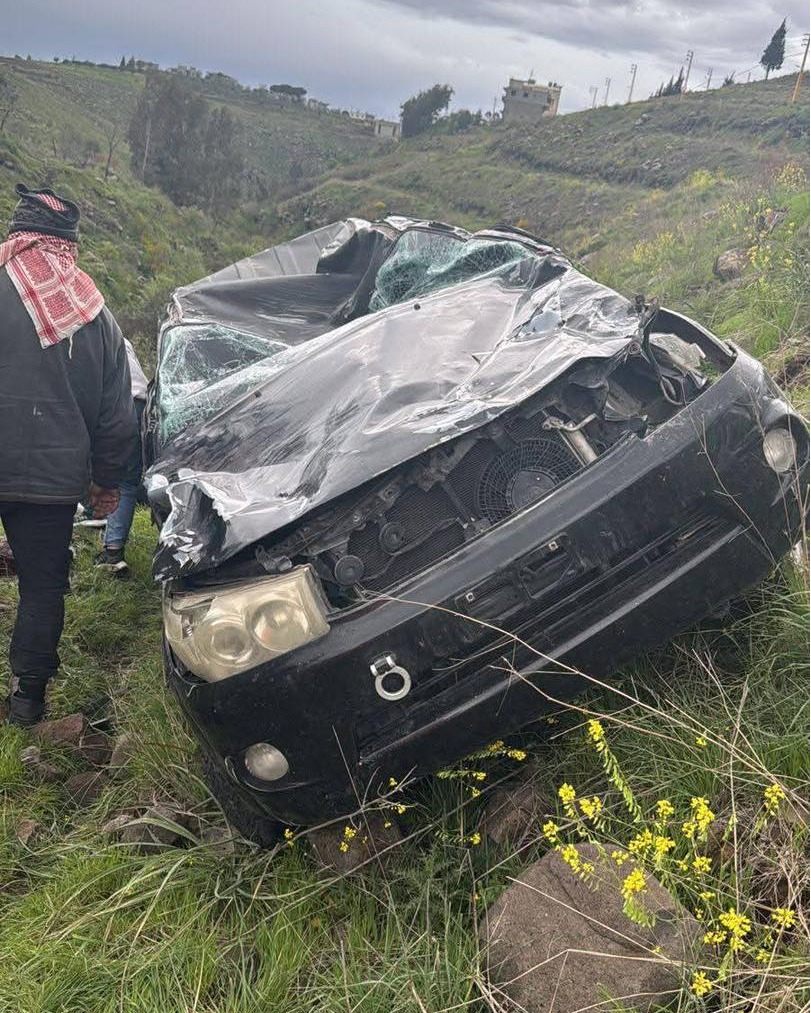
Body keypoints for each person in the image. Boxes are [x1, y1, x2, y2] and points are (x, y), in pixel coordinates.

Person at [0, 183, 137, 726]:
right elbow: (116, 415)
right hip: (51, 480)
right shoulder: (92, 311)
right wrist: (106, 483)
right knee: (41, 585)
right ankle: (26, 702)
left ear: (15, 238)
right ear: (67, 246)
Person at [94, 338, 148, 575]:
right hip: (143, 405)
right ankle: (113, 551)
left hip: (112, 406)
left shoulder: (79, 336)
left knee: (87, 473)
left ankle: (92, 517)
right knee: (127, 481)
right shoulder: (119, 337)